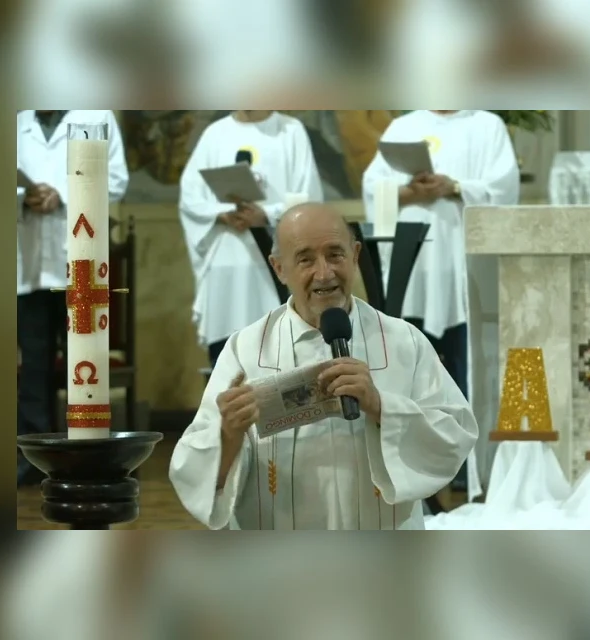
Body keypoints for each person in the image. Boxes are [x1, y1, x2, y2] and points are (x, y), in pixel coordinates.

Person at [169, 203, 477, 529]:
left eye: (335, 254)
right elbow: (193, 471)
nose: (324, 273)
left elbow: (454, 435)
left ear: (355, 255)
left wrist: (381, 406)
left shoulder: (403, 341)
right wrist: (227, 435)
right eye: (305, 259)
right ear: (279, 268)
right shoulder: (245, 350)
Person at [361, 110, 519, 490]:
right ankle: (414, 462)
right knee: (412, 368)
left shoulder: (486, 125)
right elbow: (372, 187)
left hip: (463, 266)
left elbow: (504, 189)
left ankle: (468, 468)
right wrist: (411, 192)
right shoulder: (404, 126)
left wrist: (455, 186)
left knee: (465, 369)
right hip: (413, 269)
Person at [16, 110, 128, 486]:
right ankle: (34, 458)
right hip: (30, 265)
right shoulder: (18, 121)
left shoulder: (95, 116)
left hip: (80, 264)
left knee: (84, 361)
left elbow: (116, 180)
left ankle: (85, 450)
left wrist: (61, 194)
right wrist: (25, 196)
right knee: (34, 365)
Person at [178, 110, 323, 368]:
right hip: (225, 263)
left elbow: (309, 197)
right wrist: (222, 213)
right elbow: (190, 197)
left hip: (273, 264)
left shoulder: (290, 131)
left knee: (276, 356)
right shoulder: (215, 134)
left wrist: (265, 214)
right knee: (225, 364)